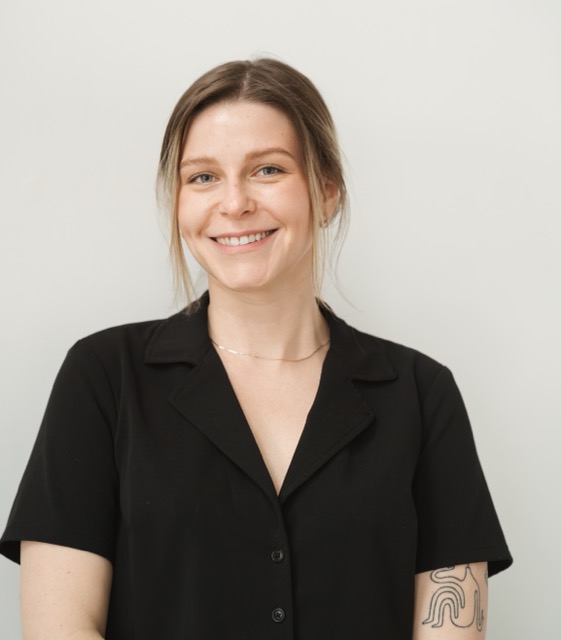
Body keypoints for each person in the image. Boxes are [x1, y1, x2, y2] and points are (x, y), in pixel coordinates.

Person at [0, 58, 512, 640]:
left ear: (326, 190)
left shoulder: (421, 394)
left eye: (267, 169)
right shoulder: (102, 378)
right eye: (203, 177)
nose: (234, 202)